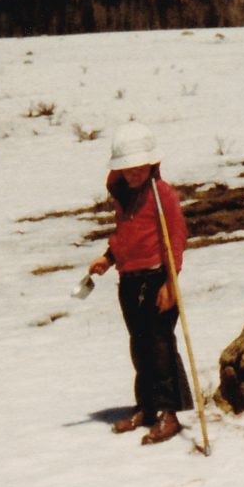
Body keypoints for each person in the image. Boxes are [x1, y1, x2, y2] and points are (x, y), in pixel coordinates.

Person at [88, 122, 193, 445]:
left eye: (138, 167)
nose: (133, 174)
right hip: (130, 280)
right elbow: (125, 236)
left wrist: (171, 284)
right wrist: (109, 257)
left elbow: (176, 239)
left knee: (160, 344)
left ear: (152, 163)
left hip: (157, 277)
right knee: (140, 345)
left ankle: (169, 413)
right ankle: (147, 407)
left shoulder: (163, 196)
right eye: (126, 168)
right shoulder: (125, 197)